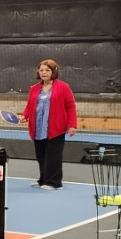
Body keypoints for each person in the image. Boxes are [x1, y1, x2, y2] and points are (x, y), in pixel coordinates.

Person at [19, 58, 77, 189]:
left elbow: (70, 106)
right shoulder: (34, 89)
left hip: (55, 127)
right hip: (37, 127)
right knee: (41, 155)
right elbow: (29, 106)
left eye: (47, 70)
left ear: (53, 71)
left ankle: (54, 182)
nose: (44, 72)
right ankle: (43, 179)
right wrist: (25, 115)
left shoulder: (63, 87)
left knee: (53, 156)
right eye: (41, 70)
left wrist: (72, 125)